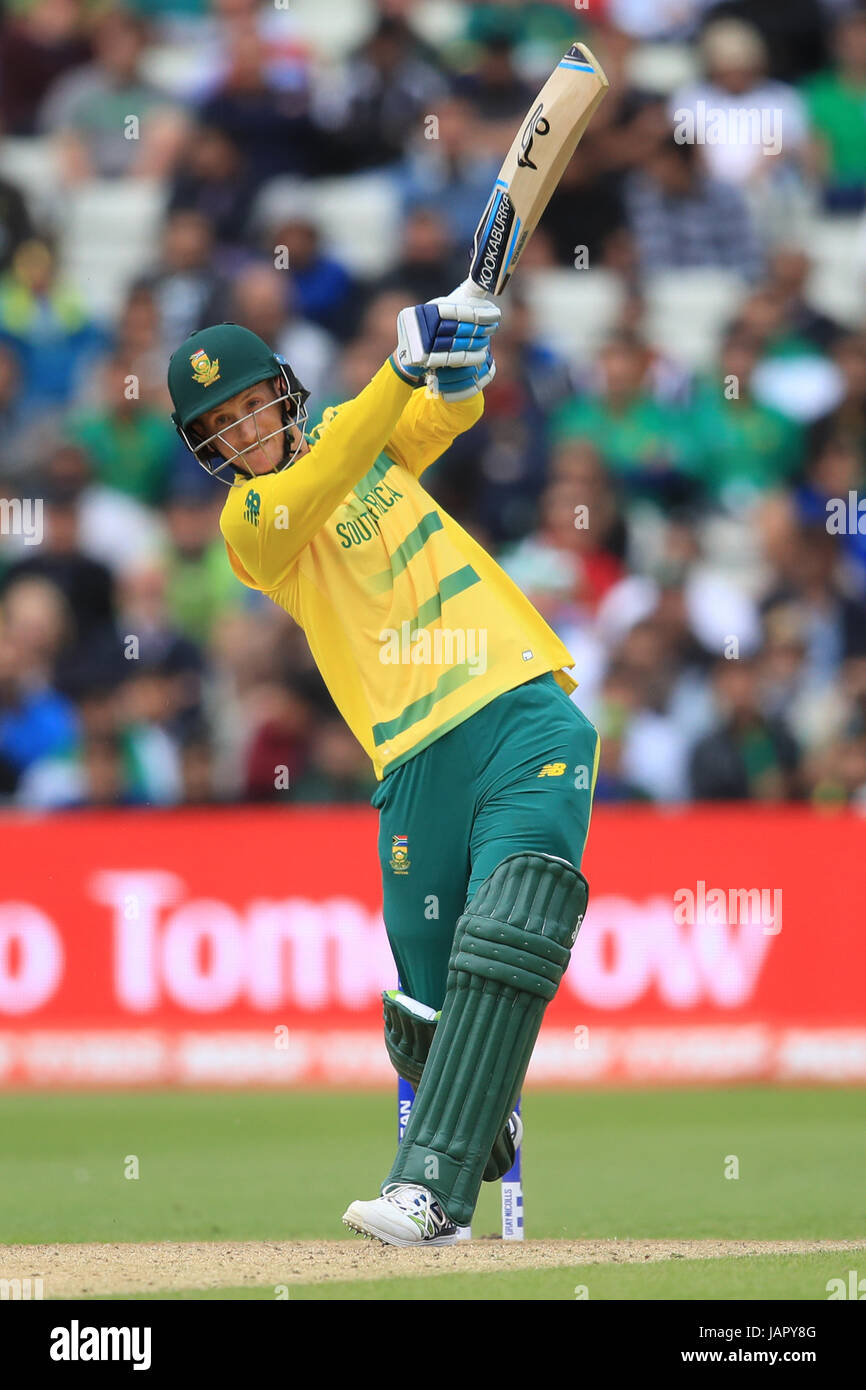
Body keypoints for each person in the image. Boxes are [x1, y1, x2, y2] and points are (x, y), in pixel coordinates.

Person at [166, 289, 599, 1246]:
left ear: (283, 394)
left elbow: (437, 418)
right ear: (210, 451)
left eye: (250, 407)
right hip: (409, 755)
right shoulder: (254, 526)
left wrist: (457, 364)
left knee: (511, 927)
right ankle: (481, 1116)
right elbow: (338, 465)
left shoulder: (350, 437)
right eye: (220, 427)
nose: (244, 432)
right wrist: (395, 370)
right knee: (421, 1011)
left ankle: (431, 1192)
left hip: (519, 700)